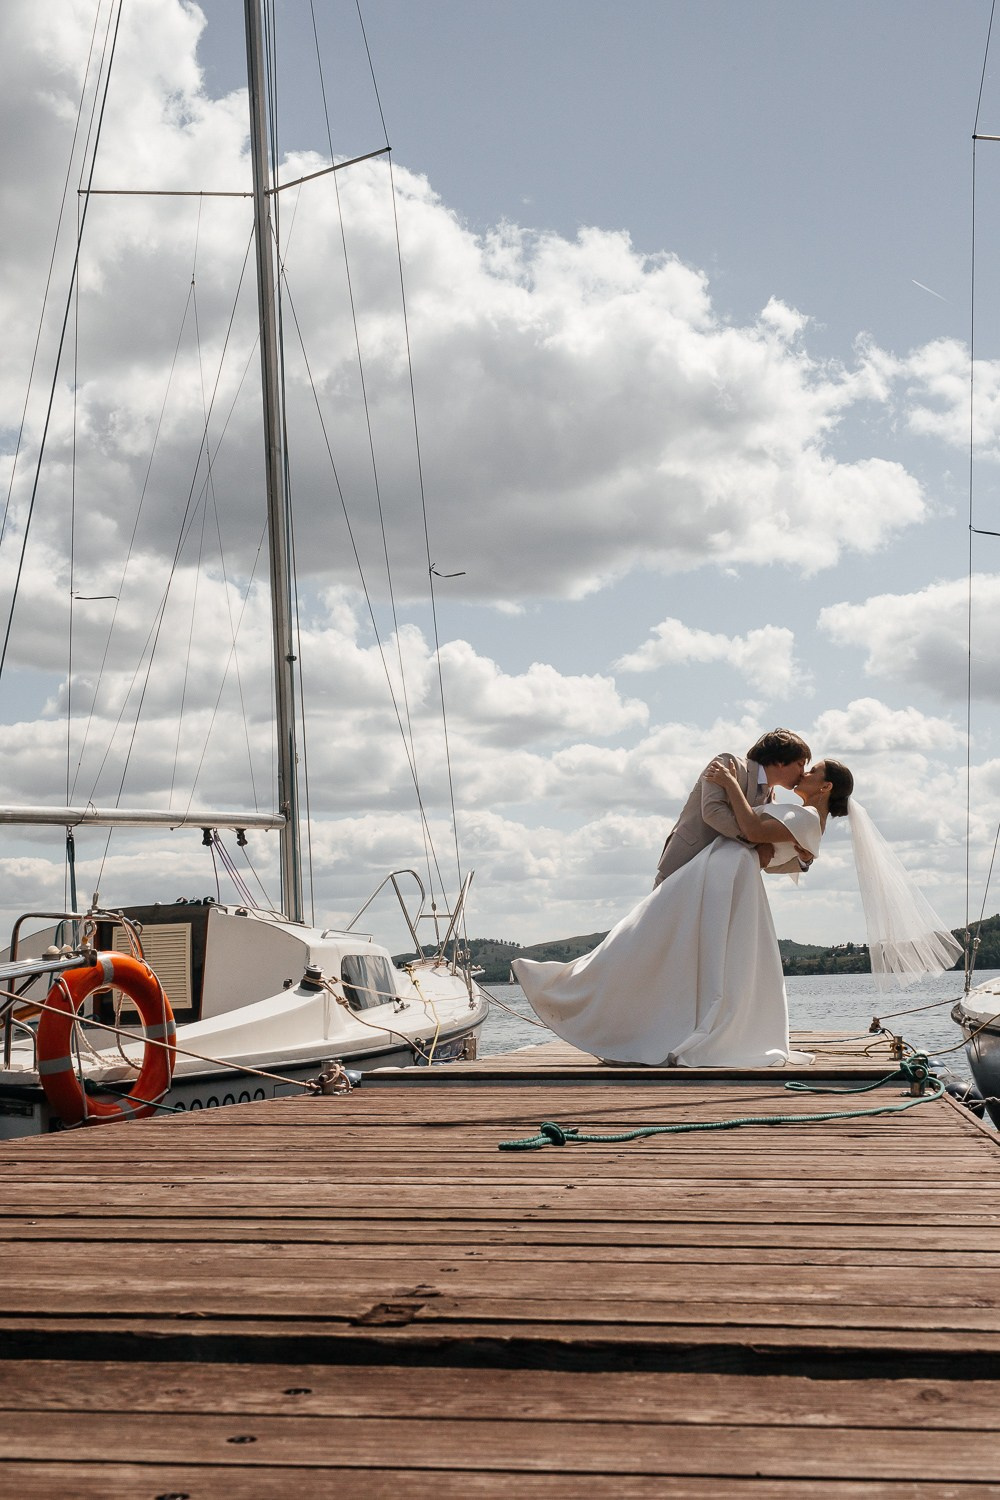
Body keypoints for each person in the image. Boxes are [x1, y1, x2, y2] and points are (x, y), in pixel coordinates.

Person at [512, 757, 855, 1069]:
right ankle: (645, 1014)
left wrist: (731, 784)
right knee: (670, 943)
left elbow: (751, 831)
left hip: (725, 874)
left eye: (813, 771)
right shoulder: (807, 819)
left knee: (658, 940)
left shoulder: (806, 816)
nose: (804, 773)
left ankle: (580, 993)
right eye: (803, 765)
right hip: (726, 874)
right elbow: (771, 853)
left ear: (825, 787)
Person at [654, 729, 811, 887]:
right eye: (800, 764)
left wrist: (803, 861)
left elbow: (766, 855)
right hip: (683, 864)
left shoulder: (770, 797)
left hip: (718, 881)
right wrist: (756, 842)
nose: (803, 773)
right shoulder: (727, 764)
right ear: (780, 761)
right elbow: (712, 812)